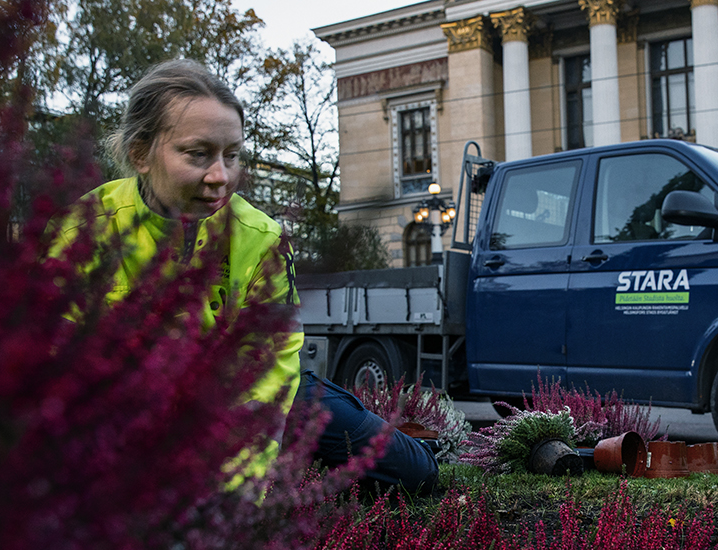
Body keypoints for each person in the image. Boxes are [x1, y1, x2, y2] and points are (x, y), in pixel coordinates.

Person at [51, 59, 436, 493]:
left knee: (412, 475)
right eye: (198, 154)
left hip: (247, 389)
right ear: (141, 153)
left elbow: (270, 367)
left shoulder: (262, 237)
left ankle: (413, 445)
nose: (220, 177)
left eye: (231, 156)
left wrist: (240, 490)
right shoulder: (82, 230)